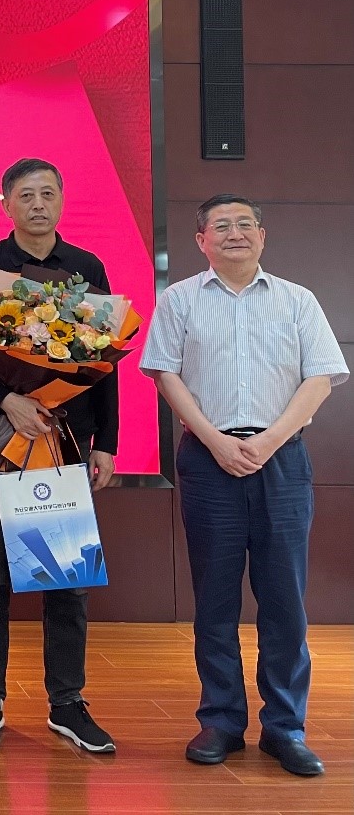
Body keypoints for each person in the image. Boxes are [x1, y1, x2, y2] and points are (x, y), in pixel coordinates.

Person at [140, 194, 347, 777]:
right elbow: (165, 374)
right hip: (208, 458)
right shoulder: (179, 300)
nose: (235, 233)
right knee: (215, 597)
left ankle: (286, 727)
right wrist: (215, 441)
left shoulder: (297, 300)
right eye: (221, 226)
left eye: (245, 224)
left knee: (284, 599)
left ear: (262, 235)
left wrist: (269, 441)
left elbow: (321, 378)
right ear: (201, 240)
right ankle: (221, 721)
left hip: (281, 458)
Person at [0, 158, 119, 754]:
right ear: (7, 204)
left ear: (62, 200)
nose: (39, 204)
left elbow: (104, 361)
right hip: (2, 437)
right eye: (27, 195)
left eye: (49, 193)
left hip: (66, 439)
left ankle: (67, 703)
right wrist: (8, 399)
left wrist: (107, 443)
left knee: (66, 576)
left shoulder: (86, 267)